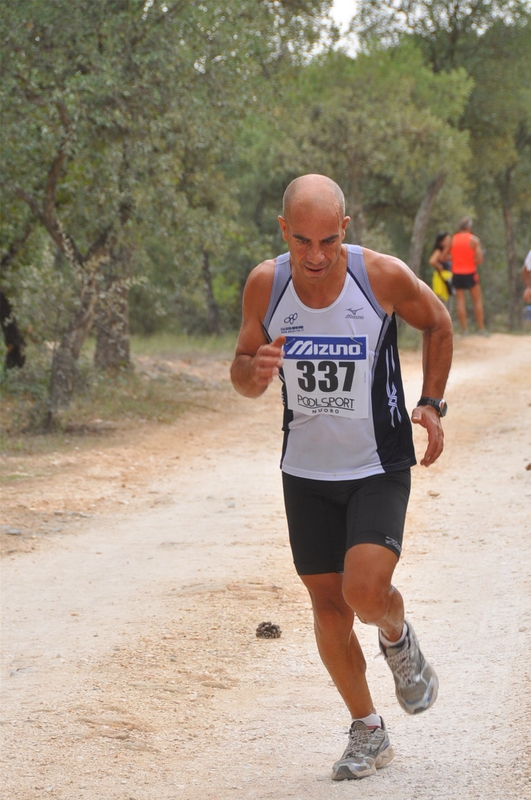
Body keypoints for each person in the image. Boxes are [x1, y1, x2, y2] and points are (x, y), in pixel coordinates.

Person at [230, 174, 453, 781]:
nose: (317, 256)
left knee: (364, 592)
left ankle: (397, 635)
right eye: (303, 242)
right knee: (328, 609)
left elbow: (437, 321)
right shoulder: (265, 284)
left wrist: (432, 401)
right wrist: (257, 371)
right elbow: (243, 373)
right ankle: (368, 730)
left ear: (345, 231)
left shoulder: (377, 276)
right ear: (284, 232)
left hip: (379, 463)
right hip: (304, 471)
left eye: (329, 240)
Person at [450, 216, 487, 335]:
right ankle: (481, 329)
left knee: (460, 301)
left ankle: (464, 330)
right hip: (470, 272)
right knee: (477, 300)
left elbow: (447, 256)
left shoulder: (453, 239)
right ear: (469, 226)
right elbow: (480, 258)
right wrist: (471, 262)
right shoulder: (474, 240)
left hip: (456, 272)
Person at [428, 231, 453, 307]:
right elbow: (432, 261)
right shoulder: (438, 251)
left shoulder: (447, 253)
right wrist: (439, 267)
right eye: (447, 240)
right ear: (441, 242)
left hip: (447, 279)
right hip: (441, 279)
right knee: (440, 302)